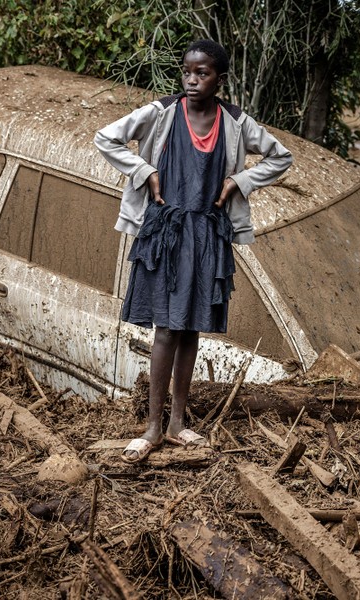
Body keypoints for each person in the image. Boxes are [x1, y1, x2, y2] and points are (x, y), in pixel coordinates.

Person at [94, 40, 293, 463]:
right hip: (166, 234)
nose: (191, 79)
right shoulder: (162, 112)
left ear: (220, 79)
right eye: (187, 71)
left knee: (190, 330)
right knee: (165, 329)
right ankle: (152, 427)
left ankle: (178, 424)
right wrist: (144, 171)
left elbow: (281, 156)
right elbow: (106, 138)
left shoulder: (236, 122)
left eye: (202, 73)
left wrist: (240, 182)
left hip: (207, 236)